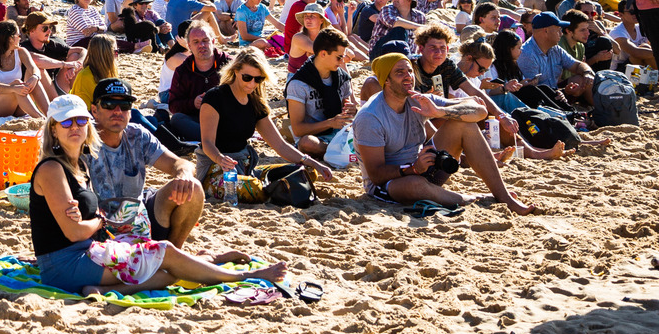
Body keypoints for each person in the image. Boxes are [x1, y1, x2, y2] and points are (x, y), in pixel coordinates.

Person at [27, 94, 287, 295]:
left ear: (88, 124)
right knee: (166, 254)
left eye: (80, 120)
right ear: (53, 129)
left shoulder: (79, 164)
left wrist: (92, 219)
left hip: (89, 251)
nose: (75, 127)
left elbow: (177, 163)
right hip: (66, 265)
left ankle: (106, 290)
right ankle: (245, 277)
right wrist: (98, 220)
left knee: (168, 272)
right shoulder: (52, 168)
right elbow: (73, 232)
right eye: (66, 122)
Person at [354, 53, 533, 215]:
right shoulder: (370, 117)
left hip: (425, 167)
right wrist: (413, 168)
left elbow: (480, 111)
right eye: (400, 72)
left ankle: (503, 196)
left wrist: (439, 112)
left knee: (465, 125)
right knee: (414, 185)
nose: (408, 76)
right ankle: (470, 198)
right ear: (386, 80)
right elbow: (376, 175)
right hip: (393, 184)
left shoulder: (418, 99)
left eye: (410, 71)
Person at [86, 79, 206, 249]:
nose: (118, 111)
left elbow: (180, 163)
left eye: (125, 105)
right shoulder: (82, 141)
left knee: (193, 188)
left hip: (139, 216)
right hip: (98, 223)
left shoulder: (137, 135)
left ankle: (172, 252)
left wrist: (183, 174)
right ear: (94, 110)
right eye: (109, 104)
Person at [196, 47, 334, 189]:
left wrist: (313, 163)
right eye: (247, 78)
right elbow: (207, 143)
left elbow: (280, 145)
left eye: (258, 79)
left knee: (305, 172)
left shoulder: (256, 103)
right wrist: (221, 159)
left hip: (244, 167)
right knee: (254, 188)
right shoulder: (215, 98)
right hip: (215, 167)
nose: (252, 84)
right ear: (235, 71)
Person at [285, 28, 358, 157]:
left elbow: (347, 108)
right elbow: (298, 129)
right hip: (317, 137)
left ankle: (340, 151)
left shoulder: (342, 77)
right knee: (307, 143)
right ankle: (342, 152)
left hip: (340, 133)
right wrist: (330, 123)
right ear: (323, 54)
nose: (342, 62)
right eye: (339, 57)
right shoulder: (299, 83)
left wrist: (351, 110)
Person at [163, 22, 228, 143]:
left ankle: (213, 140)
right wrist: (193, 103)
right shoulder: (182, 70)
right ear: (189, 46)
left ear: (213, 42)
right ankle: (215, 140)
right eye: (196, 42)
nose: (201, 45)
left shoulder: (229, 64)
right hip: (197, 119)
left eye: (205, 40)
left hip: (226, 118)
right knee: (177, 119)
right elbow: (173, 105)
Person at [0, 20, 49, 117]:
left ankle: (50, 116)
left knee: (33, 79)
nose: (21, 38)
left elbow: (35, 68)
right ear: (10, 38)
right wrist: (14, 88)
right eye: (19, 36)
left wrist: (34, 77)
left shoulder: (20, 52)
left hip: (17, 104)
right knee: (17, 83)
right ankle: (41, 118)